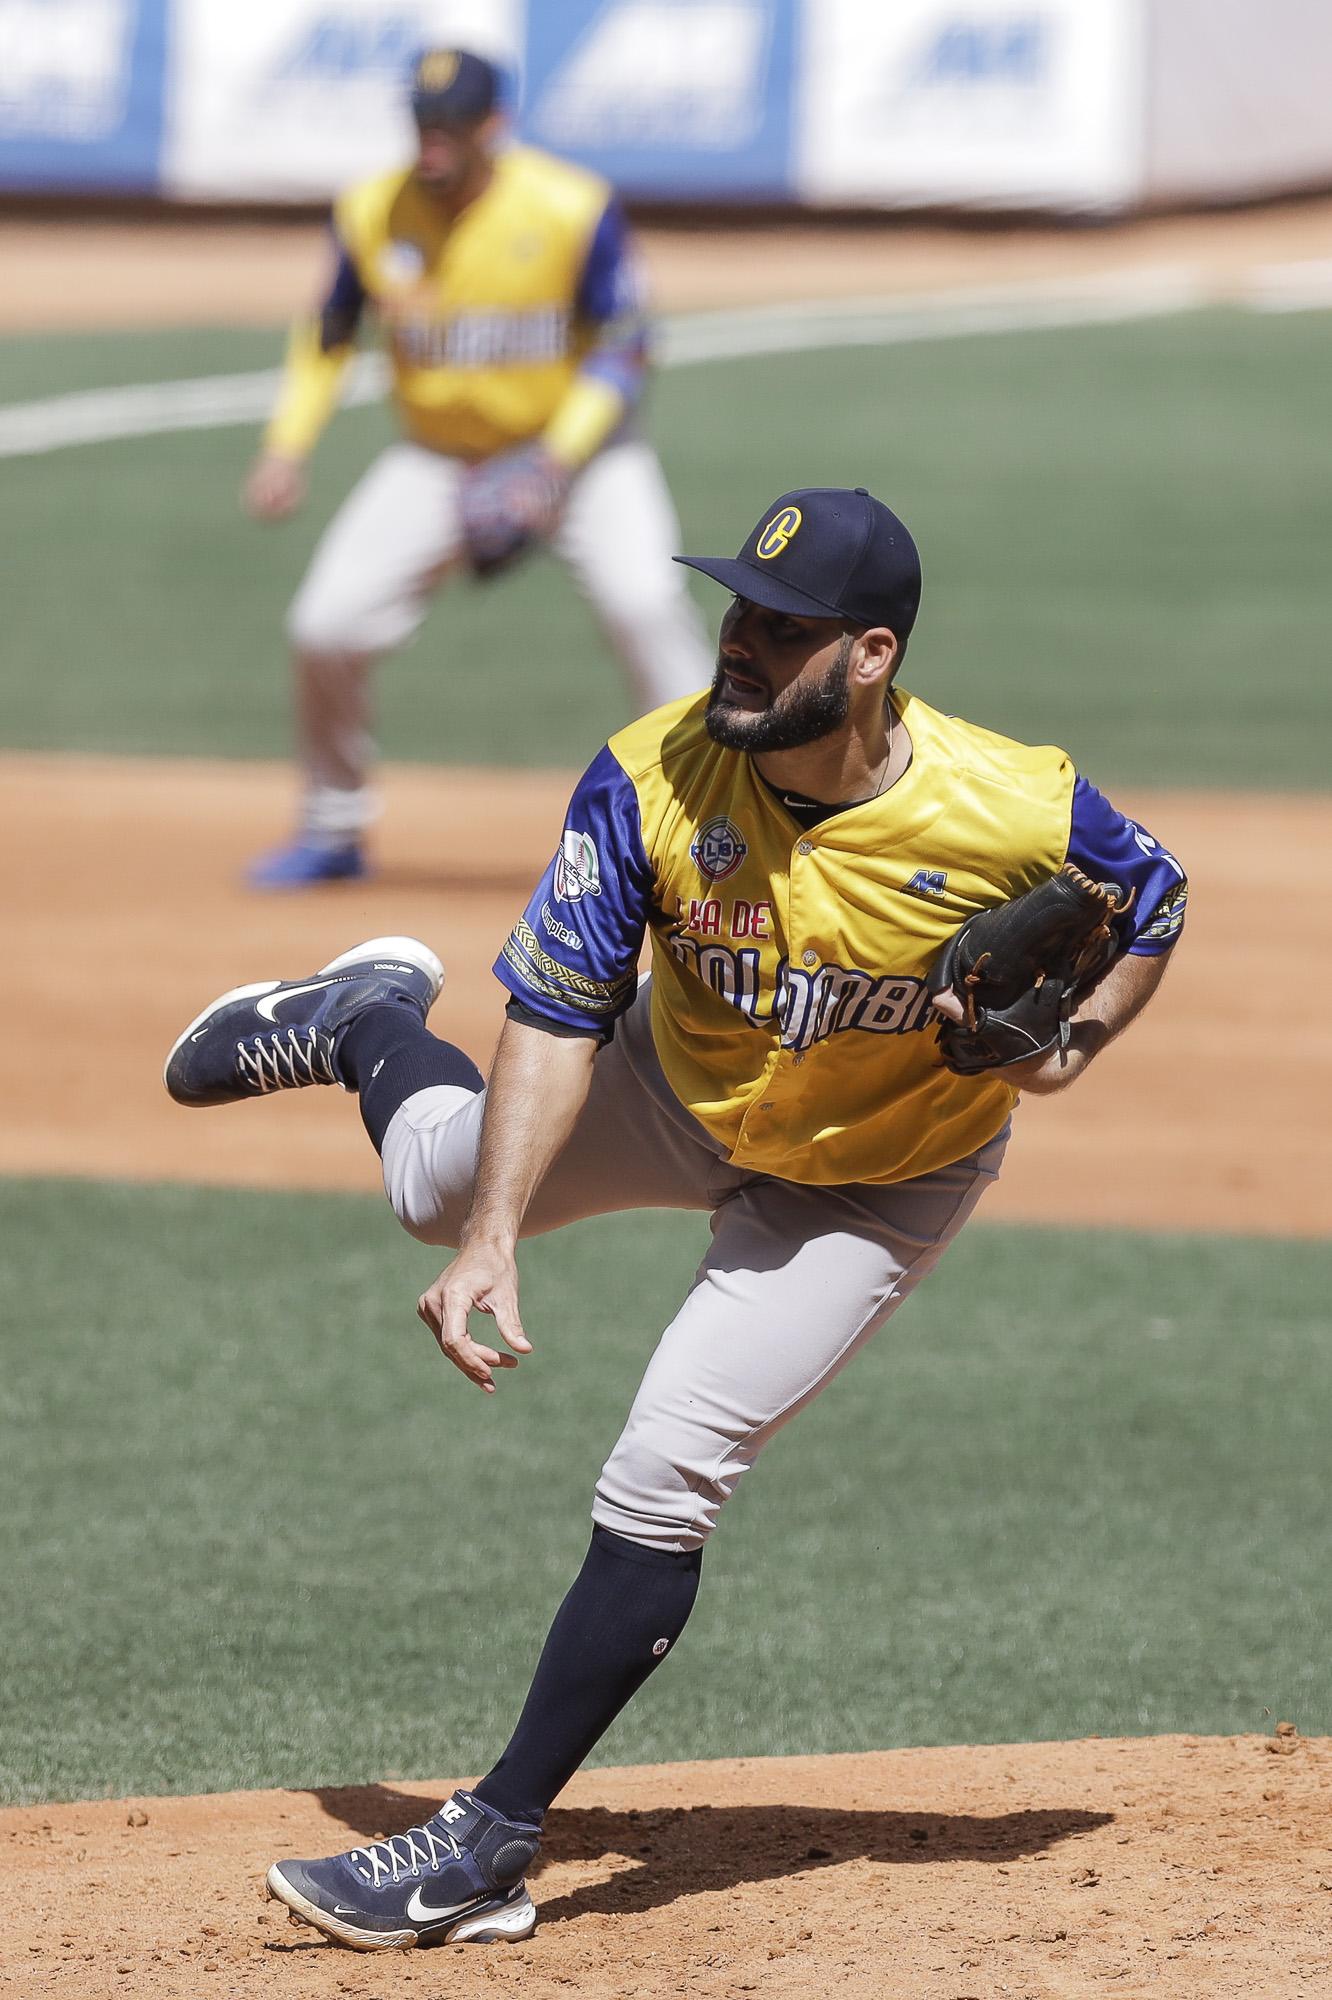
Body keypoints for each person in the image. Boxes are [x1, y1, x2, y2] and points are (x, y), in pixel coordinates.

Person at [165, 486, 1188, 1951]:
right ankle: (367, 1019)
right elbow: (560, 1009)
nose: (743, 647)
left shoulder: (1013, 803)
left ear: (873, 655)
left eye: (785, 629)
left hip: (878, 1179)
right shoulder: (652, 776)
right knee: (430, 1192)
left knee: (666, 1467)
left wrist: (1074, 1046)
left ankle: (483, 1849)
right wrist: (494, 1234)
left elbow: (1154, 896)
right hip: (675, 1079)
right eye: (738, 612)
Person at [243, 45, 711, 889]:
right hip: (437, 457)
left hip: (584, 458)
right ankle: (333, 825)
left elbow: (627, 344)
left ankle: (721, 827)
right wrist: (288, 444)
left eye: (451, 125)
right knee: (327, 625)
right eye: (422, 123)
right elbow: (329, 335)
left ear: (494, 125)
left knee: (645, 606)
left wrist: (553, 462)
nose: (432, 142)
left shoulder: (571, 206)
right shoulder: (371, 213)